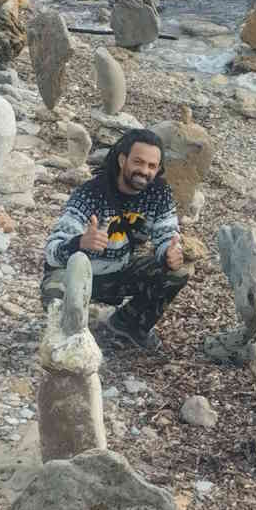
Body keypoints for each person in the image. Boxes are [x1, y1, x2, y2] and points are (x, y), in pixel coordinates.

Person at [40, 128, 189, 350]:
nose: (144, 171)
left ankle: (128, 324)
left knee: (178, 272)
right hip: (80, 275)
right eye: (138, 162)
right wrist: (80, 242)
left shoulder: (159, 192)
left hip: (120, 270)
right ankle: (65, 340)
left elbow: (166, 234)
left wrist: (169, 253)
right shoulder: (90, 194)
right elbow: (52, 251)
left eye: (152, 166)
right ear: (122, 160)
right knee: (55, 289)